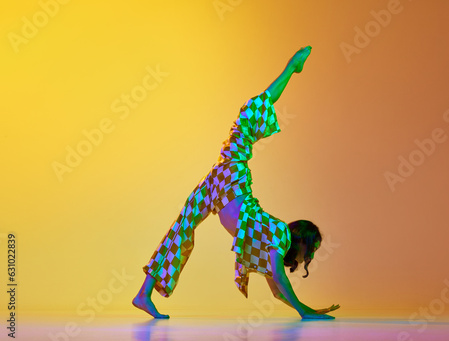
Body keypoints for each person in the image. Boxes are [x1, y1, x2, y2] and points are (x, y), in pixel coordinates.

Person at [132, 46, 340, 319]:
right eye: (310, 251)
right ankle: (291, 67)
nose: (306, 258)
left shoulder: (270, 245)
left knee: (183, 226)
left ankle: (144, 294)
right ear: (302, 242)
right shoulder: (279, 234)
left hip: (220, 186)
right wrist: (305, 312)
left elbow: (277, 291)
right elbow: (281, 278)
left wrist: (309, 310)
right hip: (232, 184)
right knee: (249, 118)